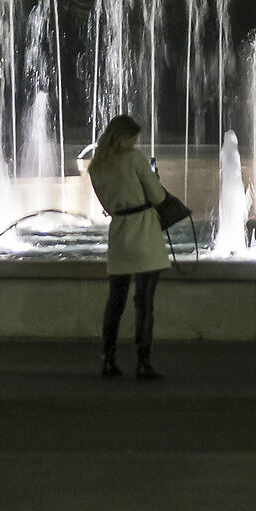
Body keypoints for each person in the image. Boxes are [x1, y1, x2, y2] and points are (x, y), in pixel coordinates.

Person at [88, 114, 169, 379]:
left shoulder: (96, 165)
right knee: (144, 301)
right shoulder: (134, 158)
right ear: (124, 136)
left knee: (116, 300)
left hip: (120, 232)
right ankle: (143, 362)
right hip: (144, 230)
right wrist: (153, 178)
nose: (135, 142)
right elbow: (157, 196)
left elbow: (106, 205)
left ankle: (108, 358)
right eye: (133, 137)